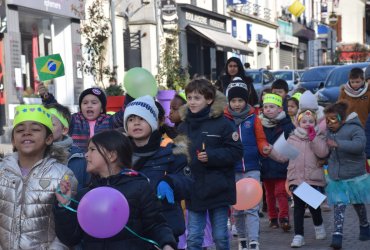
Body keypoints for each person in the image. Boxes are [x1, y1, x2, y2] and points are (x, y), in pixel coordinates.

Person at [54, 130, 177, 249]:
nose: (86, 154)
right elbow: (70, 238)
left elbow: (156, 224)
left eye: (92, 149)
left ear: (111, 155)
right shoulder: (86, 195)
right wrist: (64, 205)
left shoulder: (139, 187)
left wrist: (167, 244)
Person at [177, 78, 243, 250]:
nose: (192, 102)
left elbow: (236, 151)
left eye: (197, 98)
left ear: (209, 99)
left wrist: (212, 156)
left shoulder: (223, 124)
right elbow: (178, 155)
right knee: (194, 239)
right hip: (194, 189)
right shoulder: (183, 126)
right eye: (189, 97)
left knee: (220, 237)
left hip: (218, 188)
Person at [0, 104, 77, 249]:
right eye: (20, 130)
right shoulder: (2, 172)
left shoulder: (63, 175)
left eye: (35, 129)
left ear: (49, 139)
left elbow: (69, 234)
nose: (27, 133)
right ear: (13, 141)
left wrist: (64, 206)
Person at [124, 95, 192, 239]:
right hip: (131, 227)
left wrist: (171, 182)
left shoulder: (171, 150)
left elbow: (188, 181)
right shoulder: (120, 154)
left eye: (141, 118)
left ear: (153, 121)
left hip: (165, 225)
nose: (136, 123)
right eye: (131, 119)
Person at [269, 108, 329, 248]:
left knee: (314, 206)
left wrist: (313, 138)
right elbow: (283, 156)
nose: (307, 123)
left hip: (313, 178)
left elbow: (322, 153)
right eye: (304, 121)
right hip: (296, 178)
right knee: (299, 207)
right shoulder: (292, 137)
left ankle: (319, 225)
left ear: (315, 123)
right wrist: (271, 151)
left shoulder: (319, 136)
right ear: (298, 122)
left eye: (310, 121)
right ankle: (298, 236)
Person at [224, 77, 269, 250]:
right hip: (232, 170)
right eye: (233, 100)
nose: (237, 104)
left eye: (240, 100)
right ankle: (241, 239)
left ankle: (254, 241)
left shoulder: (254, 118)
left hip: (252, 168)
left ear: (246, 100)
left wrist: (264, 148)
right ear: (229, 101)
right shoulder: (224, 120)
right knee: (237, 209)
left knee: (251, 207)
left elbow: (261, 139)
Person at [324, 102, 370, 249]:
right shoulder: (329, 131)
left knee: (357, 203)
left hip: (354, 175)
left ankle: (364, 225)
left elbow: (359, 146)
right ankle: (337, 235)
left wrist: (338, 144)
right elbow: (328, 151)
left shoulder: (355, 129)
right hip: (337, 177)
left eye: (333, 119)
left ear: (342, 119)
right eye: (327, 120)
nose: (329, 123)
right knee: (339, 205)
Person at [38, 84, 126, 152]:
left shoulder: (108, 120)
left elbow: (123, 115)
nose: (89, 106)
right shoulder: (74, 120)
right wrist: (47, 98)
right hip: (78, 161)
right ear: (80, 107)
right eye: (85, 103)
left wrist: (131, 95)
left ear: (102, 108)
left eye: (94, 103)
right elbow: (59, 112)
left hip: (103, 162)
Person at [259, 93, 295, 232]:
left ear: (280, 109)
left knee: (281, 192)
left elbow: (293, 142)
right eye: (265, 107)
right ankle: (272, 217)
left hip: (282, 164)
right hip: (266, 164)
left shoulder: (286, 124)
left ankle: (284, 217)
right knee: (269, 194)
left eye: (272, 107)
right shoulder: (260, 123)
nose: (268, 110)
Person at [44, 103, 89, 191]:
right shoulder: (35, 153)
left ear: (64, 130)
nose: (46, 128)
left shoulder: (78, 157)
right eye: (44, 124)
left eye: (51, 124)